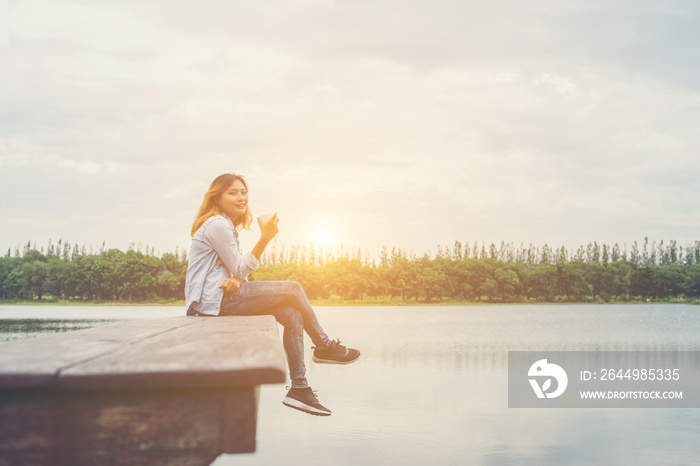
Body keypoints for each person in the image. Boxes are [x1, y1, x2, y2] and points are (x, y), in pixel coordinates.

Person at [185, 173, 360, 416]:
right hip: (213, 302)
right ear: (217, 197)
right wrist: (265, 238)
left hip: (219, 299)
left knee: (291, 315)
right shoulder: (217, 224)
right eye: (232, 192)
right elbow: (238, 268)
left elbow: (235, 271)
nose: (241, 197)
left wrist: (237, 277)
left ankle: (299, 389)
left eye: (243, 191)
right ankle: (324, 346)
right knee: (294, 288)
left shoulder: (225, 225)